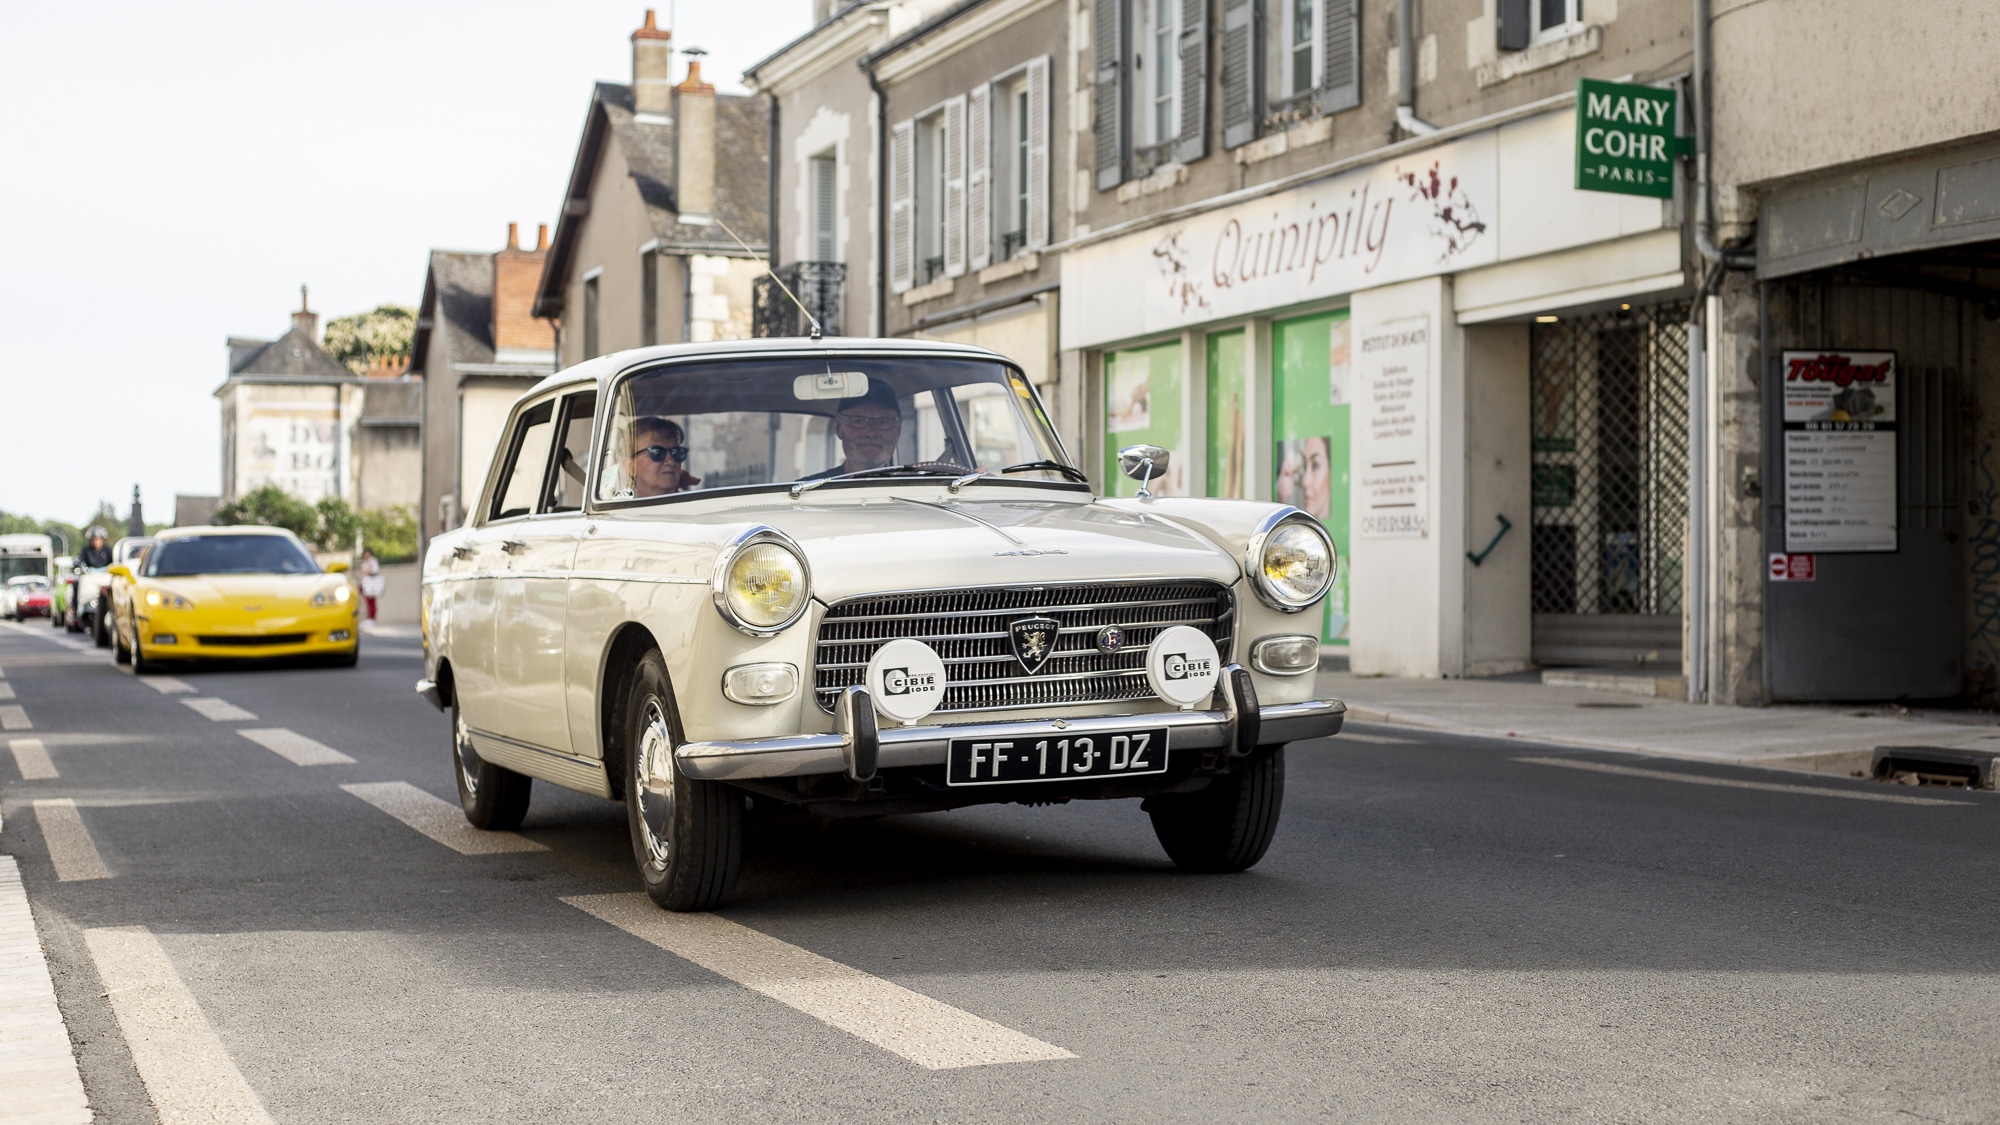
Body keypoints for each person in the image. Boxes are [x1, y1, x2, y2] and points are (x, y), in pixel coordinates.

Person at [800, 383, 903, 480]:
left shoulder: (914, 491)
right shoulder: (807, 493)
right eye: (858, 421)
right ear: (839, 427)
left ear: (898, 431)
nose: (871, 433)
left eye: (883, 422)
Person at [626, 416, 701, 498]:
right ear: (631, 467)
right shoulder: (618, 507)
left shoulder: (695, 507)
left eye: (676, 452)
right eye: (657, 452)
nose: (671, 462)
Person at [357, 548, 384, 628]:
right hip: (366, 584)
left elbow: (375, 572)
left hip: (371, 584)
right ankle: (369, 618)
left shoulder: (373, 561)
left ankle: (372, 619)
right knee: (367, 602)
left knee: (372, 602)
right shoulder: (365, 562)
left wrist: (368, 570)